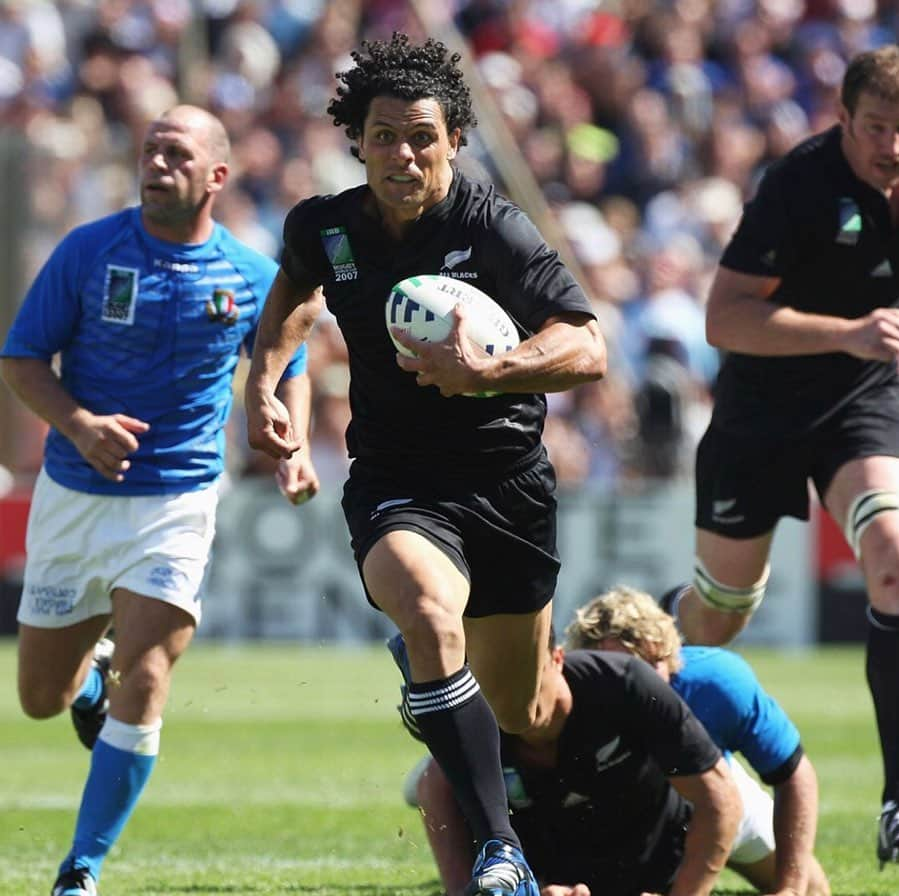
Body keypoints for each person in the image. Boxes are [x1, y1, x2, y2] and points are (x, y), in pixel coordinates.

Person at [243, 32, 606, 896]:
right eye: (383, 136)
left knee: (525, 710)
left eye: (421, 137)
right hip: (397, 482)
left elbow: (587, 347)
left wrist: (493, 371)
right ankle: (500, 851)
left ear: (452, 142)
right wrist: (262, 382)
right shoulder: (324, 227)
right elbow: (294, 300)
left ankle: (539, 701)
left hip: (508, 485)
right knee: (433, 623)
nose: (401, 155)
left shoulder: (493, 227)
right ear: (357, 140)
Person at [0, 104, 318, 896]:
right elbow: (21, 359)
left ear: (216, 176)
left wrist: (294, 443)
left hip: (177, 502)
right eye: (150, 151)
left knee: (150, 678)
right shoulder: (88, 251)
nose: (155, 164)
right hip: (76, 496)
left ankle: (82, 868)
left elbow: (293, 361)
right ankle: (92, 676)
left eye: (175, 153)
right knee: (43, 699)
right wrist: (78, 424)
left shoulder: (248, 276)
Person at [653, 44, 899, 866]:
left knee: (894, 556)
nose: (891, 146)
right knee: (716, 620)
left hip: (861, 407)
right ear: (844, 117)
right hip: (761, 412)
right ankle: (619, 669)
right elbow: (725, 318)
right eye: (876, 128)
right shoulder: (800, 185)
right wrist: (851, 333)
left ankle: (898, 796)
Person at [402, 629, 741, 896]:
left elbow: (721, 801)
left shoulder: (625, 684)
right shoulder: (482, 710)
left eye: (528, 673)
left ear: (558, 658)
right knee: (436, 776)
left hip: (671, 835)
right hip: (557, 859)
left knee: (771, 859)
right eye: (497, 679)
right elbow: (435, 788)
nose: (515, 692)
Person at [565, 587, 831, 896]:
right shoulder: (569, 698)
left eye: (649, 664)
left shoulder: (716, 682)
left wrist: (790, 888)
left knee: (812, 889)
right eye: (618, 668)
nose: (635, 680)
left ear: (670, 655)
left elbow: (793, 771)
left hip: (719, 788)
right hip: (623, 812)